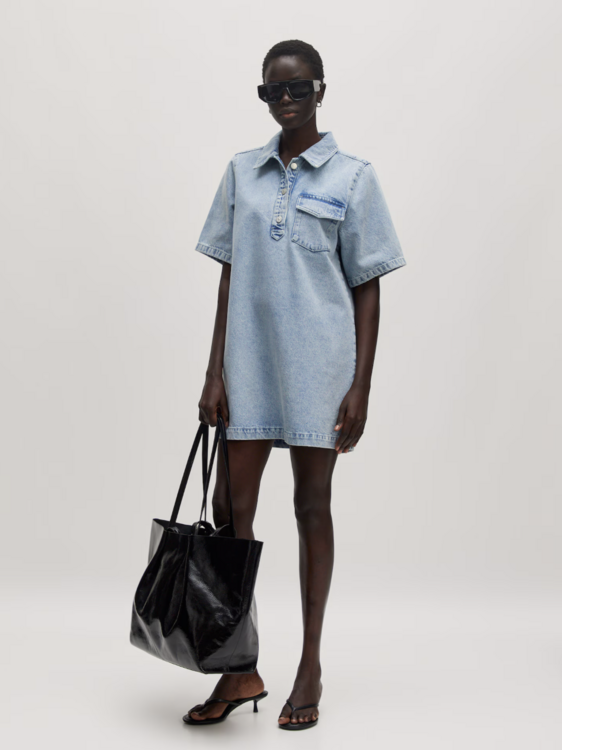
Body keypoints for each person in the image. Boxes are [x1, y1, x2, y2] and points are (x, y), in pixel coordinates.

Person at [185, 39, 405, 731]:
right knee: (230, 511)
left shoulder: (354, 177)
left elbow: (367, 287)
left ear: (320, 91)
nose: (285, 100)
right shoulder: (241, 172)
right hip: (248, 364)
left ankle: (310, 665)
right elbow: (228, 274)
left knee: (312, 505)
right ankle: (238, 665)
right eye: (272, 91)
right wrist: (214, 370)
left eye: (297, 88)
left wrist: (360, 386)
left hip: (320, 368)